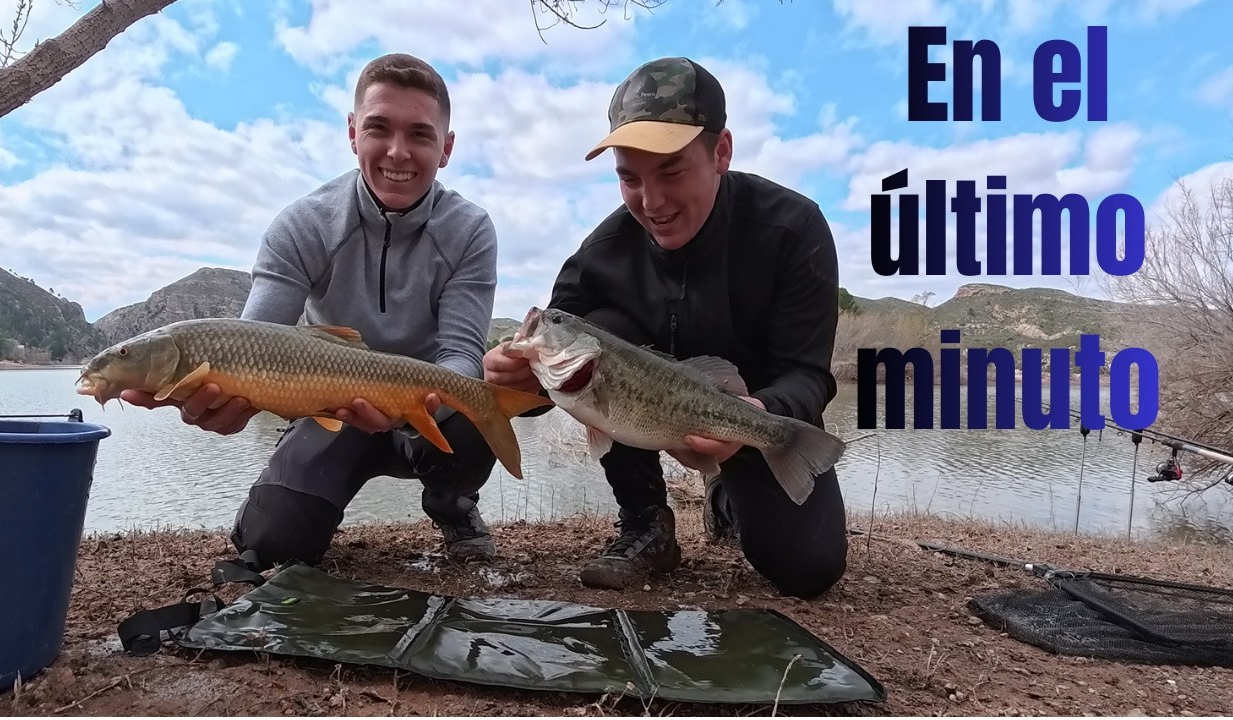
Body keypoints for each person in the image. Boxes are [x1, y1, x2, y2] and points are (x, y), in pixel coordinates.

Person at [484, 56, 848, 599]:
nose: (651, 203)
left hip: (747, 416)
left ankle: (727, 491)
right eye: (629, 177)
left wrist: (758, 420)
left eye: (672, 171)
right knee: (592, 334)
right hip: (642, 405)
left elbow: (807, 375)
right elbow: (555, 380)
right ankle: (647, 523)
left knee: (808, 568)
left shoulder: (792, 230)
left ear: (721, 151)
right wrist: (517, 381)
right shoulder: (599, 258)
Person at [120, 52, 503, 568]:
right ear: (351, 132)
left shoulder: (470, 229)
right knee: (274, 543)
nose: (398, 151)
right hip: (331, 408)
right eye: (378, 129)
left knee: (474, 412)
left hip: (426, 413)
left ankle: (452, 505)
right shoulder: (303, 224)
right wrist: (227, 397)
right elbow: (253, 341)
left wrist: (426, 398)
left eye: (420, 134)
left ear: (447, 147)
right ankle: (279, 505)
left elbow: (459, 352)